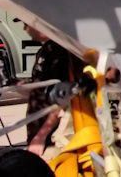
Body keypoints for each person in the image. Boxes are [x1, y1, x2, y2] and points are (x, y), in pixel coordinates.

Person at [21, 22, 81, 158]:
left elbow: (64, 98)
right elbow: (35, 91)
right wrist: (4, 79)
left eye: (26, 24)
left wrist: (41, 136)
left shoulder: (58, 52)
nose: (24, 29)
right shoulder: (44, 51)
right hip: (39, 134)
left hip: (51, 138)